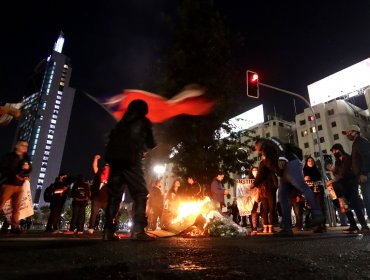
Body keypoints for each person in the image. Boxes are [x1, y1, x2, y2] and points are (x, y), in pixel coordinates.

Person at [104, 99, 156, 241]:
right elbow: (151, 143)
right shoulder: (143, 121)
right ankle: (138, 230)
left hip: (114, 162)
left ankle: (108, 231)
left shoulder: (121, 123)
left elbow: (109, 140)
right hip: (131, 160)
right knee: (140, 193)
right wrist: (143, 149)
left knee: (114, 196)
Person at [254, 138, 325, 237]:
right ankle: (287, 228)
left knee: (302, 186)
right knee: (282, 197)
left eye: (255, 146)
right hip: (283, 174)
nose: (255, 149)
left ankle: (317, 214)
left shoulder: (269, 141)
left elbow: (279, 143)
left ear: (259, 143)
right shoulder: (266, 156)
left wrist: (282, 157)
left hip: (290, 165)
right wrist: (254, 184)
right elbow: (262, 173)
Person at [328, 143, 369, 234]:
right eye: (333, 151)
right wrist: (333, 170)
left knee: (356, 205)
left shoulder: (348, 158)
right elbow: (337, 174)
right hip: (341, 186)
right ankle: (353, 225)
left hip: (351, 184)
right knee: (344, 205)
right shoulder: (337, 161)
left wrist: (341, 175)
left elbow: (350, 171)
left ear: (340, 149)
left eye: (335, 150)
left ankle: (364, 225)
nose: (334, 152)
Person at [0, 140, 31, 234]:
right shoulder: (10, 156)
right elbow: (2, 167)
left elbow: (29, 168)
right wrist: (13, 175)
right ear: (17, 146)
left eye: (26, 146)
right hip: (9, 183)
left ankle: (14, 226)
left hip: (20, 185)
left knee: (16, 207)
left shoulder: (25, 158)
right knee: (1, 203)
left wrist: (26, 174)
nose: (25, 147)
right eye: (23, 145)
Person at [342, 124, 370, 222]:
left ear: (355, 132)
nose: (347, 135)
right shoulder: (357, 143)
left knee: (368, 199)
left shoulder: (360, 142)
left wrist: (364, 173)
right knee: (367, 199)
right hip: (363, 176)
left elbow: (367, 157)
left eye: (349, 132)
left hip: (366, 176)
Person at [253, 158, 278, 234]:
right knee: (271, 209)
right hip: (270, 191)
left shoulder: (260, 174)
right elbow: (276, 183)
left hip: (263, 192)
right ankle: (270, 227)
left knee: (265, 209)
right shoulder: (271, 172)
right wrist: (274, 189)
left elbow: (257, 182)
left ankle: (265, 228)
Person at [303, 156, 326, 233]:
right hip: (309, 190)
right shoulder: (304, 170)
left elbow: (319, 178)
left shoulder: (316, 170)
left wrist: (310, 178)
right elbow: (304, 179)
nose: (311, 162)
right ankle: (317, 226)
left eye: (312, 160)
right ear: (306, 163)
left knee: (320, 207)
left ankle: (322, 225)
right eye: (309, 161)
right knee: (313, 208)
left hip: (318, 189)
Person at [87, 155, 109, 234]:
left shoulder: (111, 177)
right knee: (94, 214)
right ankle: (91, 228)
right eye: (105, 167)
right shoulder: (99, 173)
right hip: (97, 198)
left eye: (108, 167)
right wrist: (95, 159)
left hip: (106, 199)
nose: (107, 168)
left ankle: (107, 229)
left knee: (109, 214)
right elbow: (95, 167)